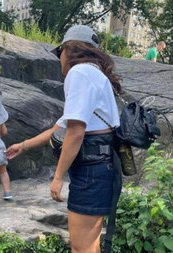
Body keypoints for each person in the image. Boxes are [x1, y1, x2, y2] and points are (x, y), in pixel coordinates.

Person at [7, 25, 121, 253]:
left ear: (69, 50)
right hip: (102, 167)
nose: (60, 60)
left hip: (92, 169)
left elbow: (75, 132)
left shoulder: (79, 73)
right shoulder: (95, 76)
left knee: (81, 248)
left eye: (60, 53)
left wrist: (57, 177)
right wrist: (24, 145)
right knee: (90, 245)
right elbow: (61, 127)